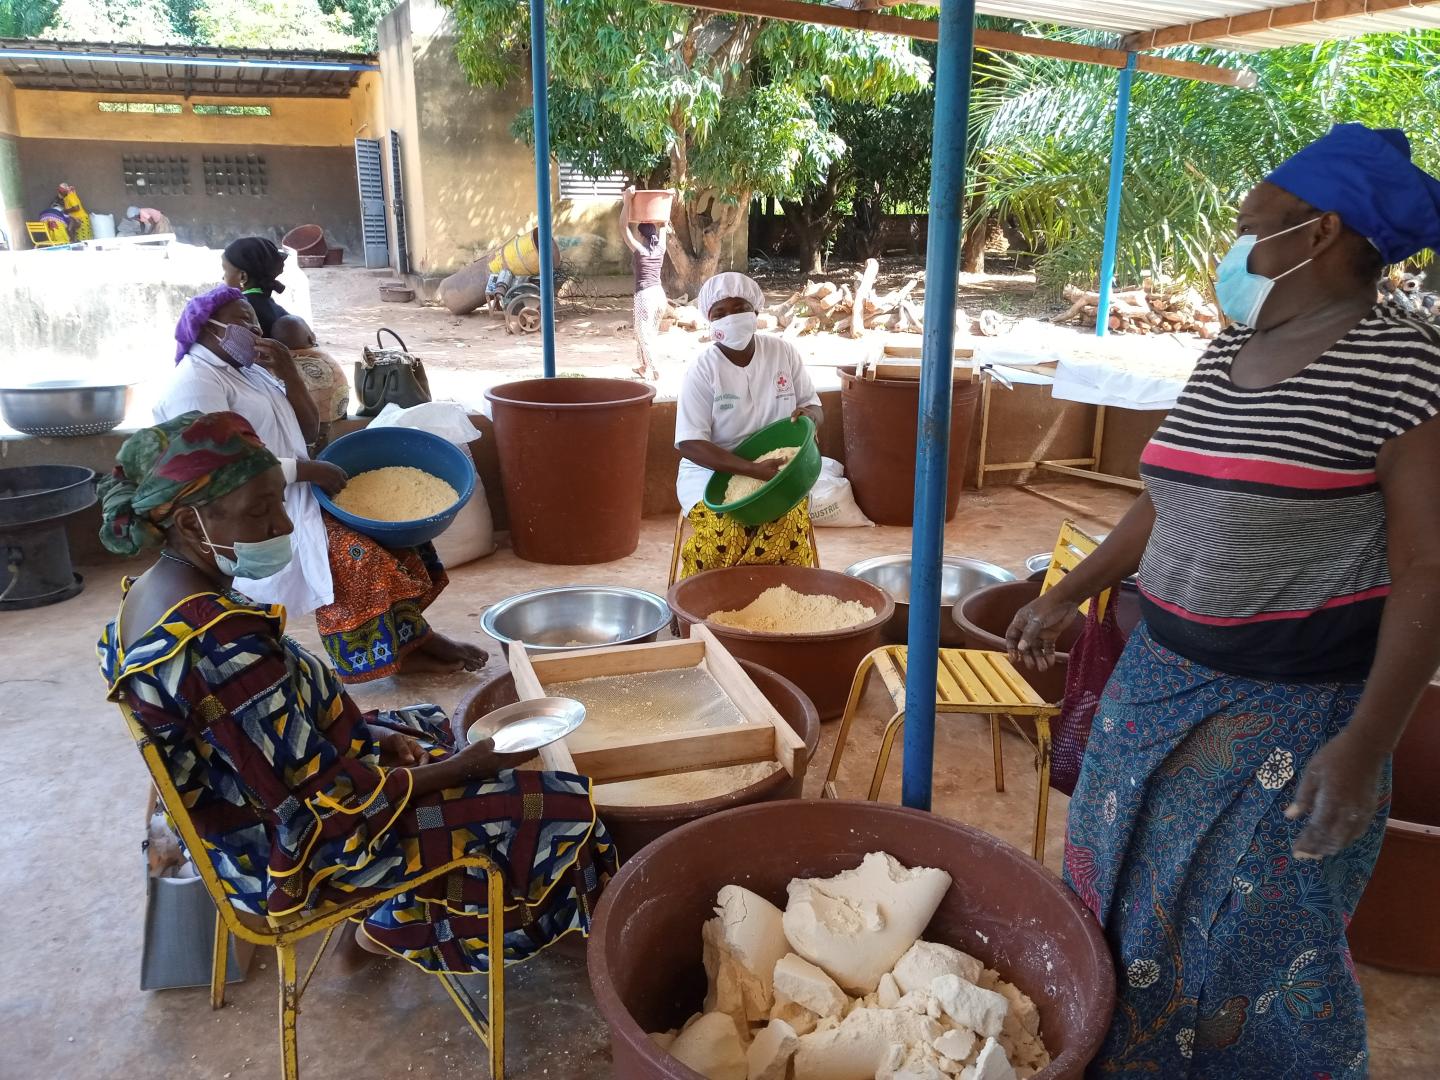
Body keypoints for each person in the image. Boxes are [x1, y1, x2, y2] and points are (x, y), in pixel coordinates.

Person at [1007, 124, 1440, 1078]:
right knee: (1112, 900)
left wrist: (1364, 748)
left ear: (1318, 233)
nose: (1234, 248)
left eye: (1251, 224)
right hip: (1155, 694)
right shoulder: (1226, 352)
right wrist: (1068, 594)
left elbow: (1428, 571)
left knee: (1250, 944)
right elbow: (1166, 499)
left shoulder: (1403, 369)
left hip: (1292, 720)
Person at [97, 411, 615, 971]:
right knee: (561, 802)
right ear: (191, 523)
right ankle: (448, 925)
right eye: (257, 512)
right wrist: (467, 768)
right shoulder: (219, 648)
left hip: (253, 803)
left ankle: (375, 930)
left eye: (278, 503)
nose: (283, 526)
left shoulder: (150, 597)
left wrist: (367, 730)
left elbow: (257, 734)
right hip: (298, 853)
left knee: (423, 725)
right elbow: (330, 808)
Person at [158, 286, 483, 683]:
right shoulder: (195, 383)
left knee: (403, 540)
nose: (254, 329)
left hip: (298, 490)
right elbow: (215, 471)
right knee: (358, 558)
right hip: (252, 509)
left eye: (255, 321)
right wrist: (306, 471)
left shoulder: (251, 371)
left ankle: (414, 642)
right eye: (242, 321)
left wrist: (288, 371)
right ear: (207, 327)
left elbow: (309, 429)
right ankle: (378, 656)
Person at [674, 272, 822, 578]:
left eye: (740, 308)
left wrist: (809, 417)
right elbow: (690, 443)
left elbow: (815, 408)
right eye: (720, 314)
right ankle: (695, 599)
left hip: (781, 474)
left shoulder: (782, 352)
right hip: (710, 477)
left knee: (785, 531)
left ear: (755, 312)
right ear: (709, 321)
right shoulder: (703, 370)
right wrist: (753, 470)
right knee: (726, 536)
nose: (731, 318)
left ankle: (777, 602)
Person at [270, 314, 350, 440]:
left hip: (302, 427)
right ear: (311, 338)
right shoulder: (327, 360)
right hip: (334, 416)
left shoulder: (277, 368)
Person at [621, 187, 670, 380]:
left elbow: (623, 228)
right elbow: (664, 225)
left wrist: (627, 201)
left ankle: (654, 369)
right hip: (659, 296)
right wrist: (668, 201)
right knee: (646, 333)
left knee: (643, 334)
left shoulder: (640, 251)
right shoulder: (660, 249)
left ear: (641, 236)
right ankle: (643, 366)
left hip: (646, 296)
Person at [221, 236, 292, 336]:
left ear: (243, 277)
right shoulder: (277, 309)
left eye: (225, 271)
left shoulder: (239, 312)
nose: (222, 278)